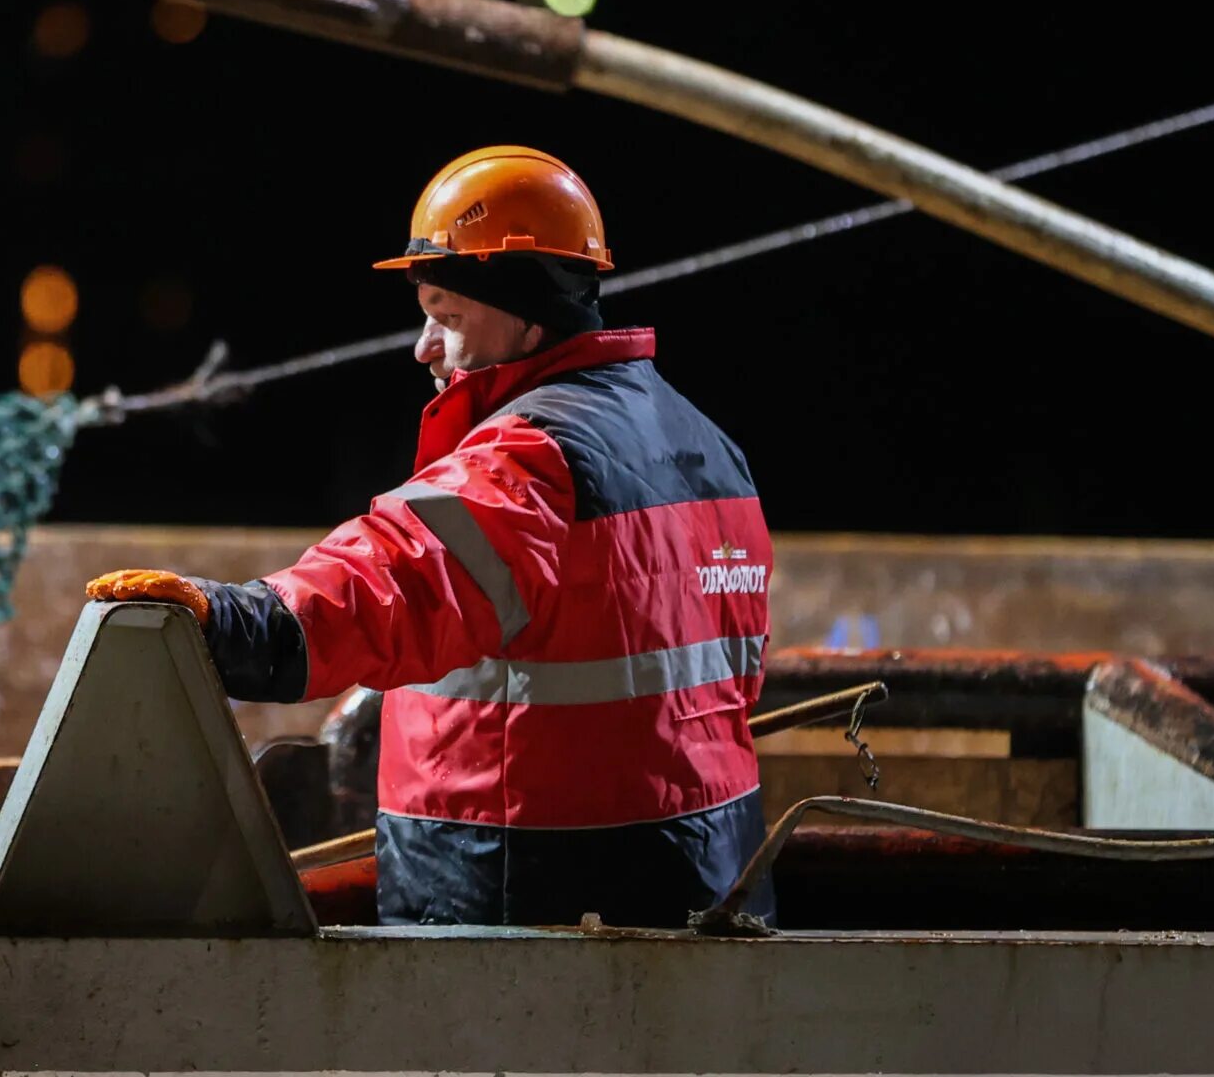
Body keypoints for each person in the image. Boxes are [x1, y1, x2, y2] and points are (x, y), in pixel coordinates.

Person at [87, 145, 775, 927]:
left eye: (446, 315)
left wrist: (240, 619)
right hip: (708, 886)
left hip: (535, 912)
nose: (424, 347)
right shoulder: (710, 447)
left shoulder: (533, 456)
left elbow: (397, 578)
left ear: (525, 311)